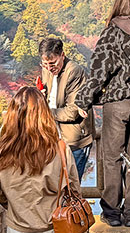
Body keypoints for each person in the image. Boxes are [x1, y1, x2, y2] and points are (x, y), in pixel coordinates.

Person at [76, 0, 130, 227]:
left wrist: (83, 101)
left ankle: (111, 211)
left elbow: (99, 71)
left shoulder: (112, 33)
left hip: (117, 101)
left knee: (112, 158)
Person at [0, 87, 83, 233]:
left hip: (20, 228)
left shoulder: (0, 153)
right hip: (56, 228)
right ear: (44, 114)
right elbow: (74, 189)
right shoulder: (59, 148)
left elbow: (1, 195)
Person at [39, 38, 94, 182]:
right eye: (45, 64)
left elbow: (72, 111)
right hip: (53, 137)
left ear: (62, 55)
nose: (49, 68)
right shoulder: (46, 70)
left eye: (52, 63)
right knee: (56, 185)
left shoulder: (74, 72)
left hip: (75, 139)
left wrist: (45, 112)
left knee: (71, 184)